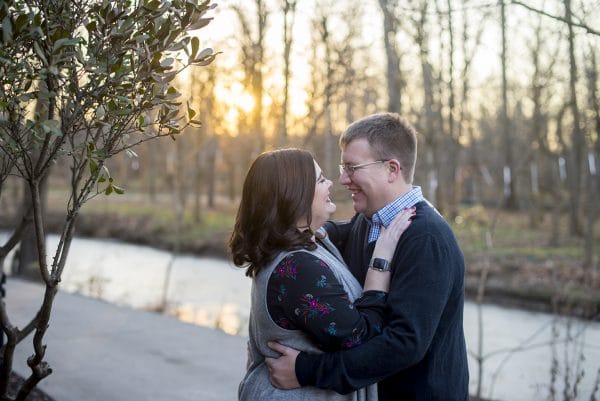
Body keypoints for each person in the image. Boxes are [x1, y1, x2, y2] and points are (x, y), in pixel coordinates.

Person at [265, 113, 470, 400]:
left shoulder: (426, 238)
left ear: (392, 169)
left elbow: (403, 344)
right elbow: (318, 234)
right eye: (342, 167)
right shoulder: (368, 222)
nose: (343, 179)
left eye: (352, 167)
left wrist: (306, 370)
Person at [229, 148, 415, 401]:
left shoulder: (303, 241)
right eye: (320, 180)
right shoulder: (297, 268)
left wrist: (399, 203)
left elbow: (346, 229)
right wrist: (379, 263)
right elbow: (361, 338)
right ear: (295, 195)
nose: (331, 183)